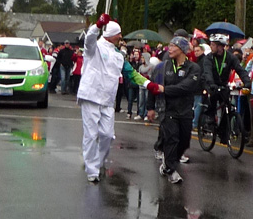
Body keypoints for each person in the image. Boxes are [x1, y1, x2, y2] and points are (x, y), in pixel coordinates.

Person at [77, 14, 160, 183]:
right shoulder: (95, 47)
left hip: (108, 100)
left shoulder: (118, 55)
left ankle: (97, 162)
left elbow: (131, 73)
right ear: (110, 34)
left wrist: (148, 84)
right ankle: (92, 170)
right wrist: (98, 25)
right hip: (91, 96)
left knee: (107, 135)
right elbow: (89, 40)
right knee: (91, 135)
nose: (121, 37)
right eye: (118, 34)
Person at [147, 36, 201, 184]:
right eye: (169, 45)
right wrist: (150, 107)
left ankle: (168, 164)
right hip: (168, 110)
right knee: (172, 139)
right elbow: (153, 87)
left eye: (173, 46)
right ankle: (171, 170)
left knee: (184, 142)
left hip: (185, 110)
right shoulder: (162, 67)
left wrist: (166, 89)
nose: (169, 49)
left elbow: (187, 87)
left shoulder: (194, 68)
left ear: (182, 49)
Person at [203, 33, 251, 144]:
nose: (211, 47)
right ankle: (210, 116)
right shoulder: (209, 58)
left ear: (220, 46)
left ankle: (223, 131)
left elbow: (240, 70)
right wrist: (211, 83)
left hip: (223, 84)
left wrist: (247, 81)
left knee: (227, 105)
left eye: (213, 45)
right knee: (213, 95)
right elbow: (207, 72)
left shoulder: (230, 57)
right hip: (211, 83)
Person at [135, 53, 154, 121]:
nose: (142, 59)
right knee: (141, 101)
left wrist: (147, 76)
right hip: (141, 85)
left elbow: (152, 76)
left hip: (148, 85)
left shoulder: (151, 67)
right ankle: (140, 114)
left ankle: (146, 114)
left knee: (147, 100)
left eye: (143, 58)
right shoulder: (140, 67)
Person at [192, 44, 206, 131]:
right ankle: (197, 123)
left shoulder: (203, 61)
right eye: (195, 51)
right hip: (196, 87)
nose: (196, 53)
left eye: (198, 51)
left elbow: (202, 74)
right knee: (196, 105)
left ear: (202, 51)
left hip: (200, 87)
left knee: (198, 106)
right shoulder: (198, 61)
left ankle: (195, 123)